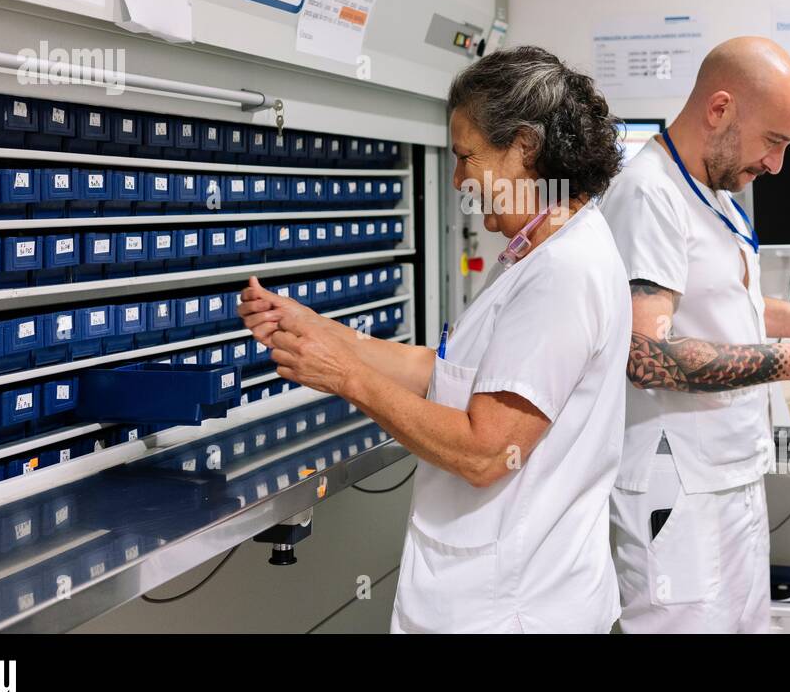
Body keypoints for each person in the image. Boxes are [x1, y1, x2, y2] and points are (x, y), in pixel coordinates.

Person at [237, 46, 631, 633]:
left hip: (512, 607)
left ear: (525, 147)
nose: (456, 180)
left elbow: (486, 450)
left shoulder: (564, 273)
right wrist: (318, 330)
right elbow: (444, 373)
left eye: (466, 157)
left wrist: (343, 377)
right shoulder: (539, 250)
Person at [600, 36, 790, 634]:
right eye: (774, 142)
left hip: (728, 476)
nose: (777, 166)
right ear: (719, 109)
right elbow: (647, 354)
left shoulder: (715, 196)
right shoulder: (651, 193)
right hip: (679, 493)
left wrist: (789, 317)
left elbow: (710, 298)